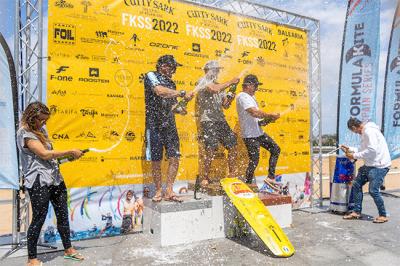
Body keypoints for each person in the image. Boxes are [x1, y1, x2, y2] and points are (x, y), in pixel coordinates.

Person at [16, 102, 84, 266]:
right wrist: (69, 150)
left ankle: (68, 249)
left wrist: (68, 158)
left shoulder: (41, 130)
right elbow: (44, 154)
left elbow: (50, 157)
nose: (44, 123)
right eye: (41, 120)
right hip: (38, 180)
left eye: (46, 120)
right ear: (32, 118)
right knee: (39, 218)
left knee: (62, 214)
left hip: (55, 178)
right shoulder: (24, 133)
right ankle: (32, 259)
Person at [144, 54, 194, 202]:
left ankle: (169, 190)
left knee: (174, 158)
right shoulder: (151, 75)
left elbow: (174, 107)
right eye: (172, 67)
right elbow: (159, 91)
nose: (174, 71)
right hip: (154, 125)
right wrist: (181, 93)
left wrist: (182, 106)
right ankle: (159, 190)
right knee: (156, 161)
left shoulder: (172, 84)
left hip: (170, 126)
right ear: (163, 66)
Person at [195, 60, 240, 187]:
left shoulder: (220, 85)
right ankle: (205, 177)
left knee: (232, 145)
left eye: (218, 70)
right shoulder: (202, 81)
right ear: (207, 70)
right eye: (215, 70)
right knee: (210, 150)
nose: (217, 72)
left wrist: (230, 97)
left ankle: (231, 174)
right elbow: (213, 89)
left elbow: (225, 105)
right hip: (208, 120)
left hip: (220, 120)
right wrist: (231, 82)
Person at [341, 117, 391, 223]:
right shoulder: (365, 132)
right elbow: (364, 149)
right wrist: (350, 149)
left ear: (354, 127)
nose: (355, 133)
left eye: (353, 131)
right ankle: (356, 212)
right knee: (356, 184)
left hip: (379, 166)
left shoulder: (369, 132)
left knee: (373, 191)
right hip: (370, 164)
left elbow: (372, 151)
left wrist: (353, 155)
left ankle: (383, 215)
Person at [236, 74, 281, 185]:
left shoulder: (252, 98)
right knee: (254, 161)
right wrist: (270, 115)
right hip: (250, 136)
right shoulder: (242, 96)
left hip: (258, 133)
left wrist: (269, 120)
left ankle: (271, 177)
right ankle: (248, 183)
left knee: (276, 149)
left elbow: (258, 121)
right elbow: (254, 112)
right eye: (256, 86)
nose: (257, 88)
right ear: (248, 85)